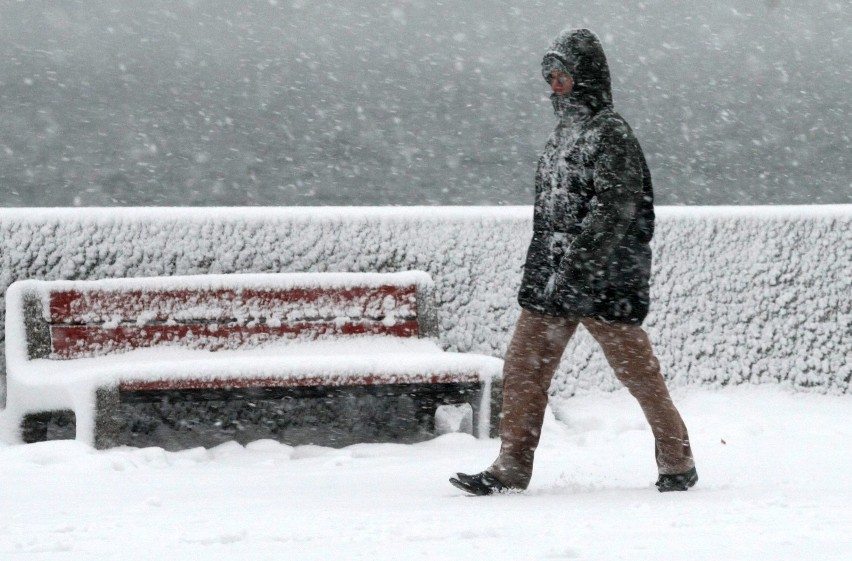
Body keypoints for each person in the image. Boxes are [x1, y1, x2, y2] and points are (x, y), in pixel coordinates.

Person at [450, 28, 697, 495]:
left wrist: (579, 269)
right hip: (552, 281)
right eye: (550, 76)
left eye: (562, 74)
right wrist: (552, 272)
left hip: (604, 282)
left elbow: (615, 210)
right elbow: (551, 216)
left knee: (638, 376)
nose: (555, 84)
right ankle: (510, 469)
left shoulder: (611, 134)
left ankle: (677, 460)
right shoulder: (564, 134)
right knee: (523, 369)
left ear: (585, 76)